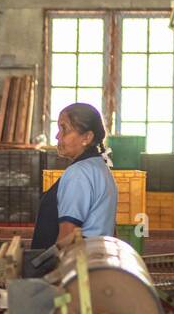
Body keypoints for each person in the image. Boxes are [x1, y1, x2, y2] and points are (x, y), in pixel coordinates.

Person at [32, 102, 117, 248]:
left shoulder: (78, 173)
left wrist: (55, 269)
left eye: (64, 129)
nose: (57, 136)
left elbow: (67, 237)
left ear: (87, 137)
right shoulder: (99, 167)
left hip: (77, 265)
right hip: (94, 259)